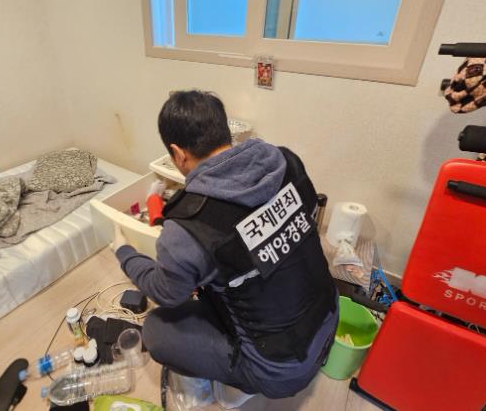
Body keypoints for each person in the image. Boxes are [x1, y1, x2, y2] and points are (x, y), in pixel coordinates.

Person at [112, 90, 338, 403]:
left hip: (278, 369)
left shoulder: (188, 226)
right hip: (327, 318)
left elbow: (167, 293)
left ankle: (244, 379)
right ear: (223, 130)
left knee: (155, 330)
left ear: (177, 154)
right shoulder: (286, 162)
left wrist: (124, 252)